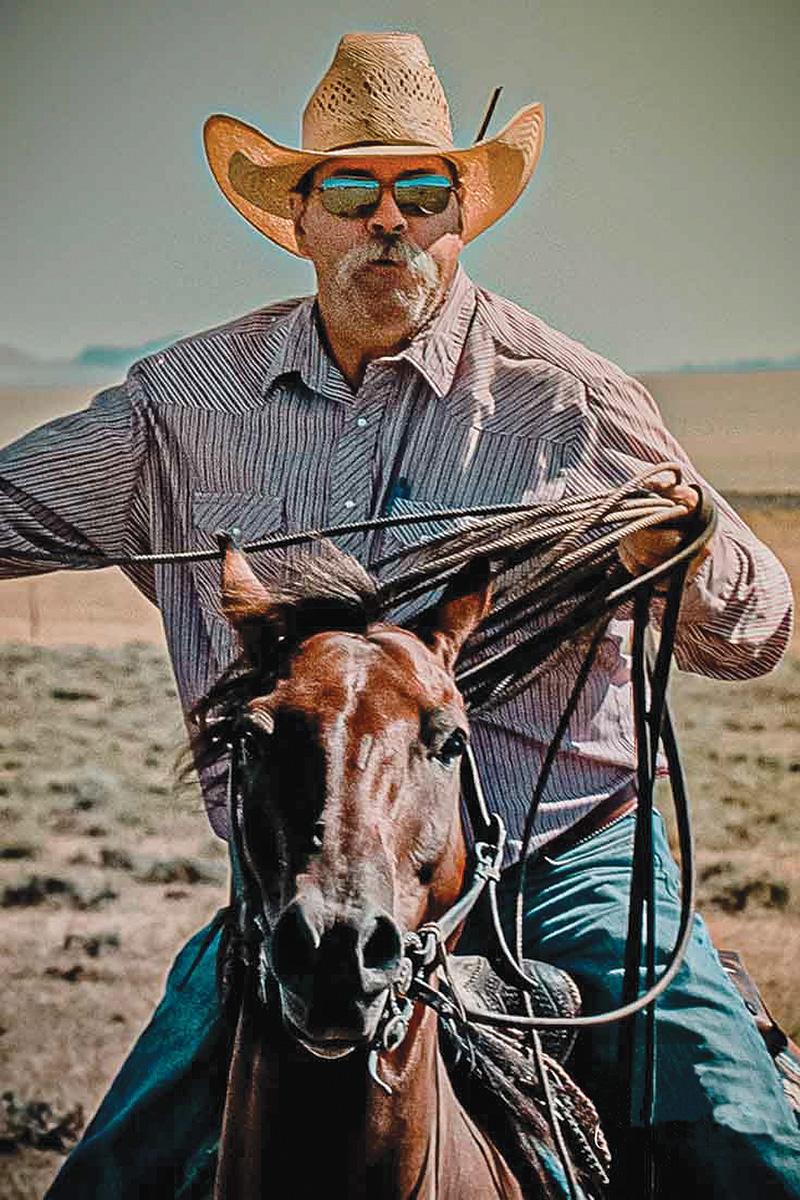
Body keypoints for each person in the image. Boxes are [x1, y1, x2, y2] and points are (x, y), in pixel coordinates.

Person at [2, 30, 796, 1198]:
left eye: (423, 192)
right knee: (108, 1180)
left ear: (458, 216)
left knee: (743, 1148)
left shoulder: (567, 403)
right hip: (307, 881)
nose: (391, 220)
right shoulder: (178, 412)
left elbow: (756, 630)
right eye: (356, 191)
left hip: (559, 861)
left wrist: (681, 552)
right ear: (300, 217)